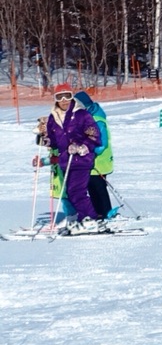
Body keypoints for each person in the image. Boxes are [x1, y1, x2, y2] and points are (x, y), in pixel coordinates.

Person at [37, 81, 104, 232]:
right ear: (55, 99)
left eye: (67, 96)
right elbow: (54, 141)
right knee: (72, 192)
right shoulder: (53, 117)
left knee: (76, 191)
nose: (64, 101)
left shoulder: (81, 114)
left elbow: (94, 135)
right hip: (65, 161)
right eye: (60, 97)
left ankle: (90, 218)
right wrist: (45, 139)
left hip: (81, 159)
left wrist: (82, 147)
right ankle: (84, 218)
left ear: (72, 96)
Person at [73, 88, 115, 218]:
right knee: (91, 187)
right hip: (89, 162)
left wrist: (89, 151)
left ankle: (106, 213)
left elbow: (102, 143)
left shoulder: (97, 119)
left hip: (99, 162)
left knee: (99, 188)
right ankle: (98, 213)